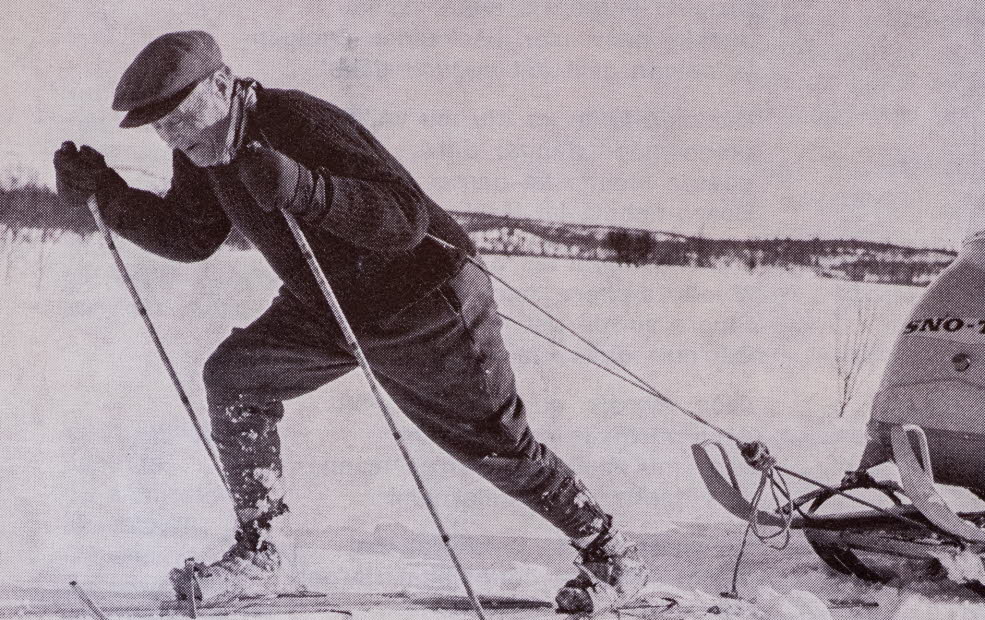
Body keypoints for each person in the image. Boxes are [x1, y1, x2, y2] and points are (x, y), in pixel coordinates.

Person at [52, 30, 646, 611]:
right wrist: (108, 193)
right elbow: (191, 235)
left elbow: (405, 219)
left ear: (224, 84)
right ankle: (262, 551)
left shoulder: (303, 123)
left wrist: (304, 186)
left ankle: (611, 554)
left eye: (183, 116)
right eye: (163, 129)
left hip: (424, 299)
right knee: (236, 378)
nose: (178, 136)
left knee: (493, 443)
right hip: (327, 303)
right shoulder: (204, 151)